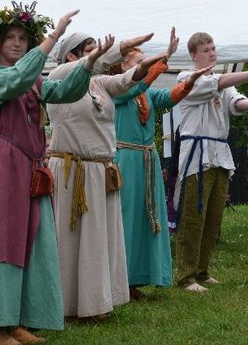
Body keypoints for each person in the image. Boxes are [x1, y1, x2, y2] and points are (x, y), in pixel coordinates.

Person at [0, 2, 105, 345]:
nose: (18, 43)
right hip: (4, 161)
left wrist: (89, 63)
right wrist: (55, 36)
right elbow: (15, 81)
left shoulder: (33, 79)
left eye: (23, 38)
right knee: (3, 238)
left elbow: (63, 91)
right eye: (11, 38)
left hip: (31, 164)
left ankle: (16, 319)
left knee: (30, 237)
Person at [47, 31, 165, 320]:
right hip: (72, 170)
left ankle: (97, 302)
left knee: (99, 239)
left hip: (99, 170)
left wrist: (150, 61)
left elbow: (127, 80)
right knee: (73, 240)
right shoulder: (57, 77)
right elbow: (92, 65)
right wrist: (119, 48)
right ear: (71, 55)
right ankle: (69, 304)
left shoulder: (98, 84)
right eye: (90, 49)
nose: (97, 52)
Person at [174, 32, 248, 292]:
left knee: (213, 218)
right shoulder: (186, 79)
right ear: (194, 55)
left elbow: (237, 102)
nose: (212, 53)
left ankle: (202, 271)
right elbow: (217, 83)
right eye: (206, 49)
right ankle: (186, 275)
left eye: (214, 48)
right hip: (197, 155)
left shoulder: (222, 83)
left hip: (219, 154)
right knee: (194, 216)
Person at [112, 30, 212, 300]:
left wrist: (192, 80)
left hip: (148, 160)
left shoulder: (145, 95)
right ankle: (122, 280)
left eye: (144, 63)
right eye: (138, 63)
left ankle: (141, 277)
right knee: (127, 220)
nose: (142, 67)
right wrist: (162, 60)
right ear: (122, 67)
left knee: (149, 220)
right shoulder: (117, 91)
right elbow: (137, 85)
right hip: (126, 161)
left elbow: (170, 97)